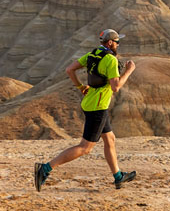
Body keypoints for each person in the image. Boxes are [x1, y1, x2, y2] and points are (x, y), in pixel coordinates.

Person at [33, 29, 137, 191]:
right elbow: (115, 87)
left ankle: (118, 177)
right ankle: (45, 168)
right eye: (117, 42)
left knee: (110, 139)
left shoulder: (93, 54)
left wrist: (80, 87)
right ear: (110, 43)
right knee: (85, 148)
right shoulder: (110, 60)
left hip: (90, 102)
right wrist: (128, 71)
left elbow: (70, 69)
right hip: (98, 107)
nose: (118, 44)